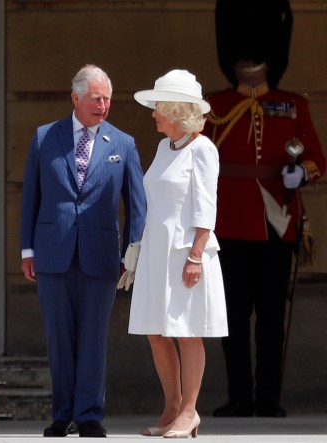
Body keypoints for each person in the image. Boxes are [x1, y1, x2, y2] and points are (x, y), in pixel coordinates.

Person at [205, 0, 326, 418]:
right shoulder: (214, 106)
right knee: (233, 319)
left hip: (277, 225)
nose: (247, 61)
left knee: (272, 319)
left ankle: (268, 397)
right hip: (229, 225)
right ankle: (240, 396)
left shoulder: (292, 105)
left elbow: (316, 158)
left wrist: (300, 175)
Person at [19, 64, 146, 438]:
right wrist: (28, 250)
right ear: (75, 98)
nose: (104, 105)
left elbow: (136, 205)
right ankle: (62, 415)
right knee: (59, 338)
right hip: (53, 252)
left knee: (93, 337)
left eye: (108, 98)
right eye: (96, 98)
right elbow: (31, 198)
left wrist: (131, 253)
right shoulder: (45, 137)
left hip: (100, 255)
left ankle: (89, 414)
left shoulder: (123, 143)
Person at [129, 69, 228, 438]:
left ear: (174, 109)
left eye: (158, 106)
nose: (153, 112)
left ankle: (190, 412)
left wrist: (197, 255)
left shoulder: (203, 148)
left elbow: (206, 207)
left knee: (187, 332)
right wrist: (138, 250)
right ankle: (172, 406)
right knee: (156, 332)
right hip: (157, 250)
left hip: (186, 252)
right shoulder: (162, 147)